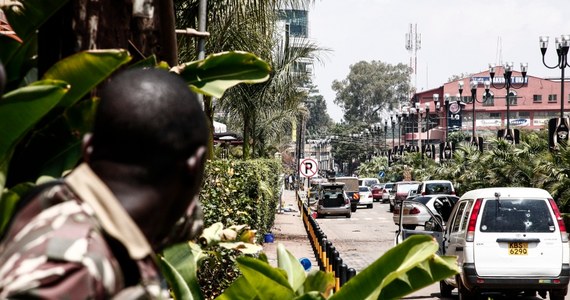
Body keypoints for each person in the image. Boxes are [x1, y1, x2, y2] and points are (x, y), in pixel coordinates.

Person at [0, 68, 208, 299]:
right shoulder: (75, 269)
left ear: (87, 149)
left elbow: (185, 220)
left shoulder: (61, 203)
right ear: (195, 166)